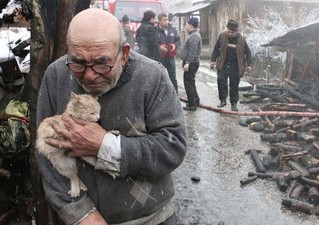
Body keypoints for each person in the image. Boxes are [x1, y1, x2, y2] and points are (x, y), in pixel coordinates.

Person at [35, 8, 186, 225]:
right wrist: (80, 214)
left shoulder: (152, 76)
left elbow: (173, 148)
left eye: (101, 62)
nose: (89, 74)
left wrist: (105, 146)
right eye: (78, 62)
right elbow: (45, 154)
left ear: (124, 53)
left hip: (150, 219)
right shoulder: (56, 75)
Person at [210, 19, 252, 111]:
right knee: (221, 81)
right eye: (228, 31)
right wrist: (213, 60)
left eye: (232, 32)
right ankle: (223, 100)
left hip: (235, 65)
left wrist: (249, 64)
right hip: (223, 63)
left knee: (234, 85)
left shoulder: (241, 39)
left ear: (236, 31)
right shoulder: (222, 36)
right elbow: (216, 49)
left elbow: (248, 52)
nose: (230, 33)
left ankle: (233, 104)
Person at [180, 17, 202, 111]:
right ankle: (195, 100)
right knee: (191, 82)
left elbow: (193, 51)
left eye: (187, 24)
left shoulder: (194, 36)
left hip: (192, 62)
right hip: (192, 62)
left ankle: (192, 104)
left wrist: (187, 63)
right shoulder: (193, 35)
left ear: (191, 25)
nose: (186, 26)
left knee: (188, 83)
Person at [156, 12, 180, 93]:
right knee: (162, 77)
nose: (167, 21)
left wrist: (175, 45)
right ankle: (163, 95)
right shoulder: (155, 31)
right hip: (161, 58)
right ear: (159, 21)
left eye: (167, 20)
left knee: (172, 77)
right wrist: (159, 48)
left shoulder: (172, 30)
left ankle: (175, 95)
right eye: (164, 20)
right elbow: (153, 44)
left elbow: (178, 41)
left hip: (171, 58)